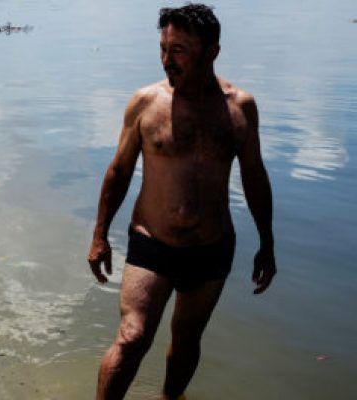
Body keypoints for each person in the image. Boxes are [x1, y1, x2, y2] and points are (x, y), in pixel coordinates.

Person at [86, 4, 276, 399]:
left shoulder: (240, 108)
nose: (167, 60)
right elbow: (118, 172)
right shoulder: (145, 103)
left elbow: (254, 176)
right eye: (163, 48)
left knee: (187, 340)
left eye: (179, 50)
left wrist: (267, 242)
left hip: (211, 248)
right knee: (132, 337)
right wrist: (99, 234)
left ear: (212, 51)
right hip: (151, 242)